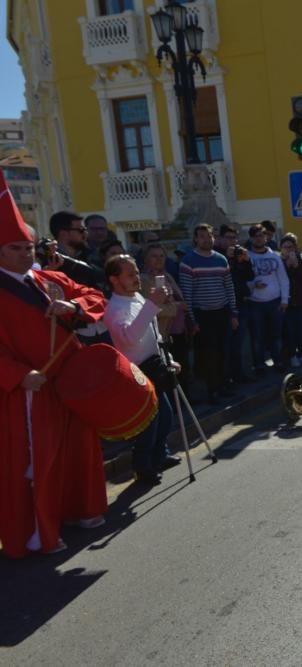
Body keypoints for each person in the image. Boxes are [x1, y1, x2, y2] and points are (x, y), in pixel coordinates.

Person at [0, 173, 108, 557]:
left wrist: (74, 307)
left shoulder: (50, 278)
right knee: (38, 460)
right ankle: (39, 532)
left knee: (77, 452)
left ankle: (79, 511)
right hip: (29, 390)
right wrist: (15, 376)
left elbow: (97, 296)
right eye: (16, 248)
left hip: (70, 380)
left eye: (28, 246)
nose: (26, 253)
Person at [104, 255, 181, 485]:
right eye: (130, 274)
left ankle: (160, 455)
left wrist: (168, 358)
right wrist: (151, 305)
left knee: (165, 416)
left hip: (155, 366)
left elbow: (153, 333)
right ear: (114, 280)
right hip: (137, 373)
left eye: (136, 272)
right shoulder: (115, 308)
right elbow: (129, 338)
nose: (136, 278)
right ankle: (143, 467)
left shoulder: (136, 297)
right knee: (149, 423)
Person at [179, 224, 239, 402]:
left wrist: (233, 313)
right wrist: (192, 319)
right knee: (208, 354)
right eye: (202, 236)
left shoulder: (221, 259)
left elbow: (229, 288)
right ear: (196, 239)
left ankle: (222, 385)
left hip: (222, 312)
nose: (206, 239)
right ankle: (211, 389)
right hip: (202, 314)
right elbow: (187, 293)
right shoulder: (188, 261)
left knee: (222, 351)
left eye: (209, 236)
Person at [140, 244, 191, 393]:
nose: (158, 259)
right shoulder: (143, 280)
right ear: (146, 260)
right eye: (154, 256)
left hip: (178, 329)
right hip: (162, 332)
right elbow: (150, 309)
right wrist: (177, 307)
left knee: (182, 365)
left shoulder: (167, 276)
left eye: (161, 256)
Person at [245, 222, 289, 375]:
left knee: (276, 335)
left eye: (262, 235)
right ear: (251, 238)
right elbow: (243, 279)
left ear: (266, 237)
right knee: (257, 336)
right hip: (255, 303)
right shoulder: (247, 257)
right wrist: (253, 285)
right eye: (256, 236)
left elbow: (283, 279)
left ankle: (278, 361)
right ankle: (259, 364)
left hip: (275, 301)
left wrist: (285, 300)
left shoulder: (275, 257)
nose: (259, 239)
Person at [216, 224, 254, 385]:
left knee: (240, 342)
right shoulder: (217, 256)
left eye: (234, 238)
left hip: (241, 303)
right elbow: (224, 277)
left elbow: (249, 276)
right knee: (226, 344)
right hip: (225, 306)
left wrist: (246, 261)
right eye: (229, 238)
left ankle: (239, 374)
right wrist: (230, 259)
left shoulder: (239, 254)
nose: (233, 241)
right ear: (220, 238)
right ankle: (226, 378)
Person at [279, 233, 302, 368]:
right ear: (281, 248)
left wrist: (297, 265)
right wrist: (288, 266)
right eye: (285, 247)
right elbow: (281, 280)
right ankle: (292, 355)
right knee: (290, 331)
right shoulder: (279, 262)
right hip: (287, 302)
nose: (288, 249)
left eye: (291, 247)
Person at [46, 211, 104, 289]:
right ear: (63, 234)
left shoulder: (92, 257)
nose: (85, 234)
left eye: (85, 230)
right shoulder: (49, 261)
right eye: (81, 230)